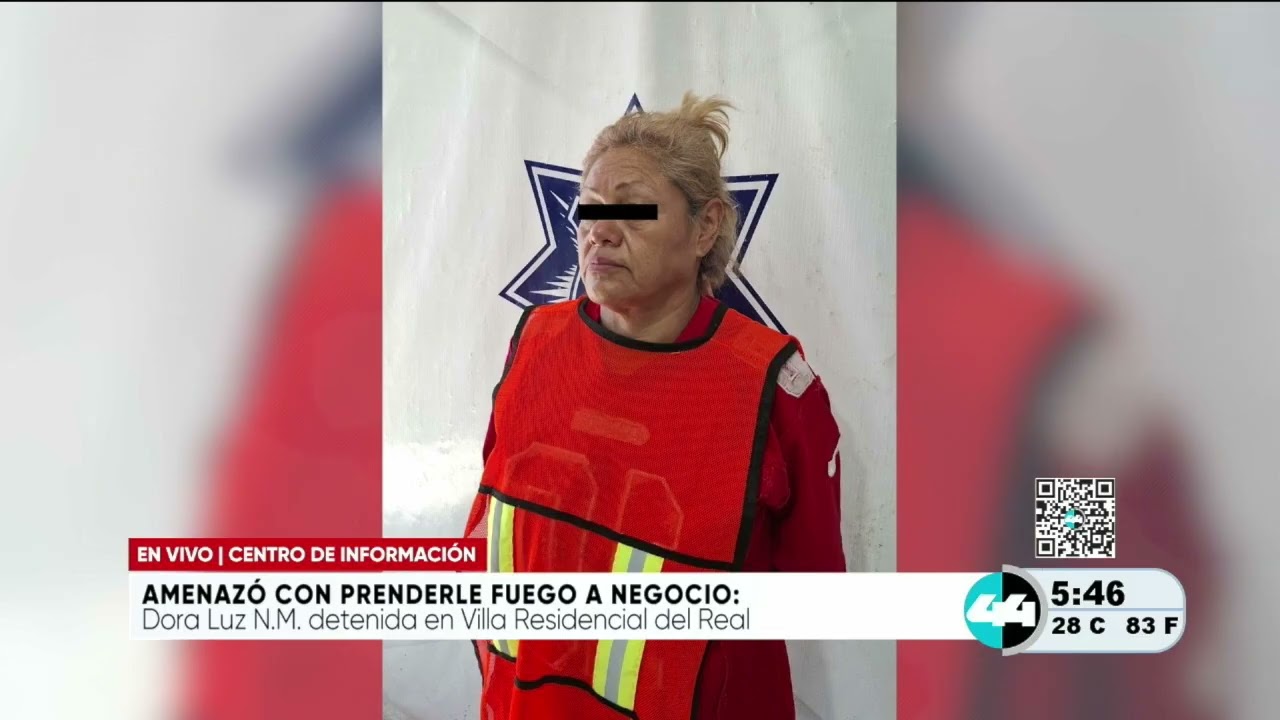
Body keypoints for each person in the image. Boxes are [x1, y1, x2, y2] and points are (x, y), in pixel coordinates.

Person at [464, 92, 847, 720]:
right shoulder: (533, 342)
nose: (600, 231)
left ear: (705, 227)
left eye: (634, 210)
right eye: (589, 210)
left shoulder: (772, 385)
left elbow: (814, 590)